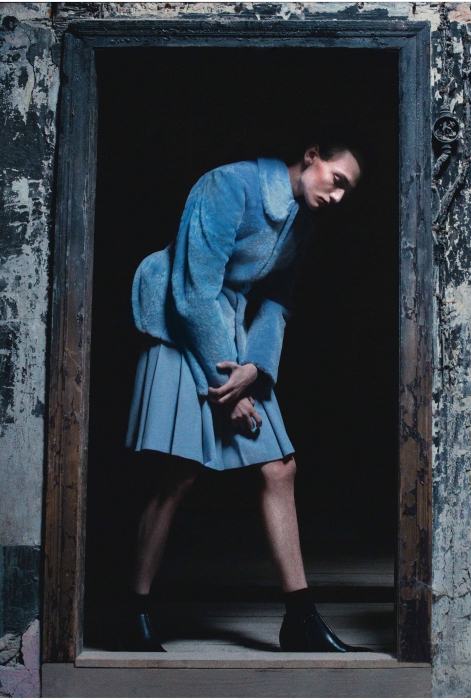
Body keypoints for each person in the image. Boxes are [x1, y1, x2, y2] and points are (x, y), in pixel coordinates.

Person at [120, 138, 370, 653]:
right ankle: (133, 611)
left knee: (280, 468)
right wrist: (227, 393)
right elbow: (192, 293)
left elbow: (276, 303)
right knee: (179, 471)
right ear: (312, 155)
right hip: (179, 326)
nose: (338, 197)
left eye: (347, 191)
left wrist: (255, 368)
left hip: (230, 340)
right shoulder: (228, 184)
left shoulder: (302, 223)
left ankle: (300, 620)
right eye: (337, 180)